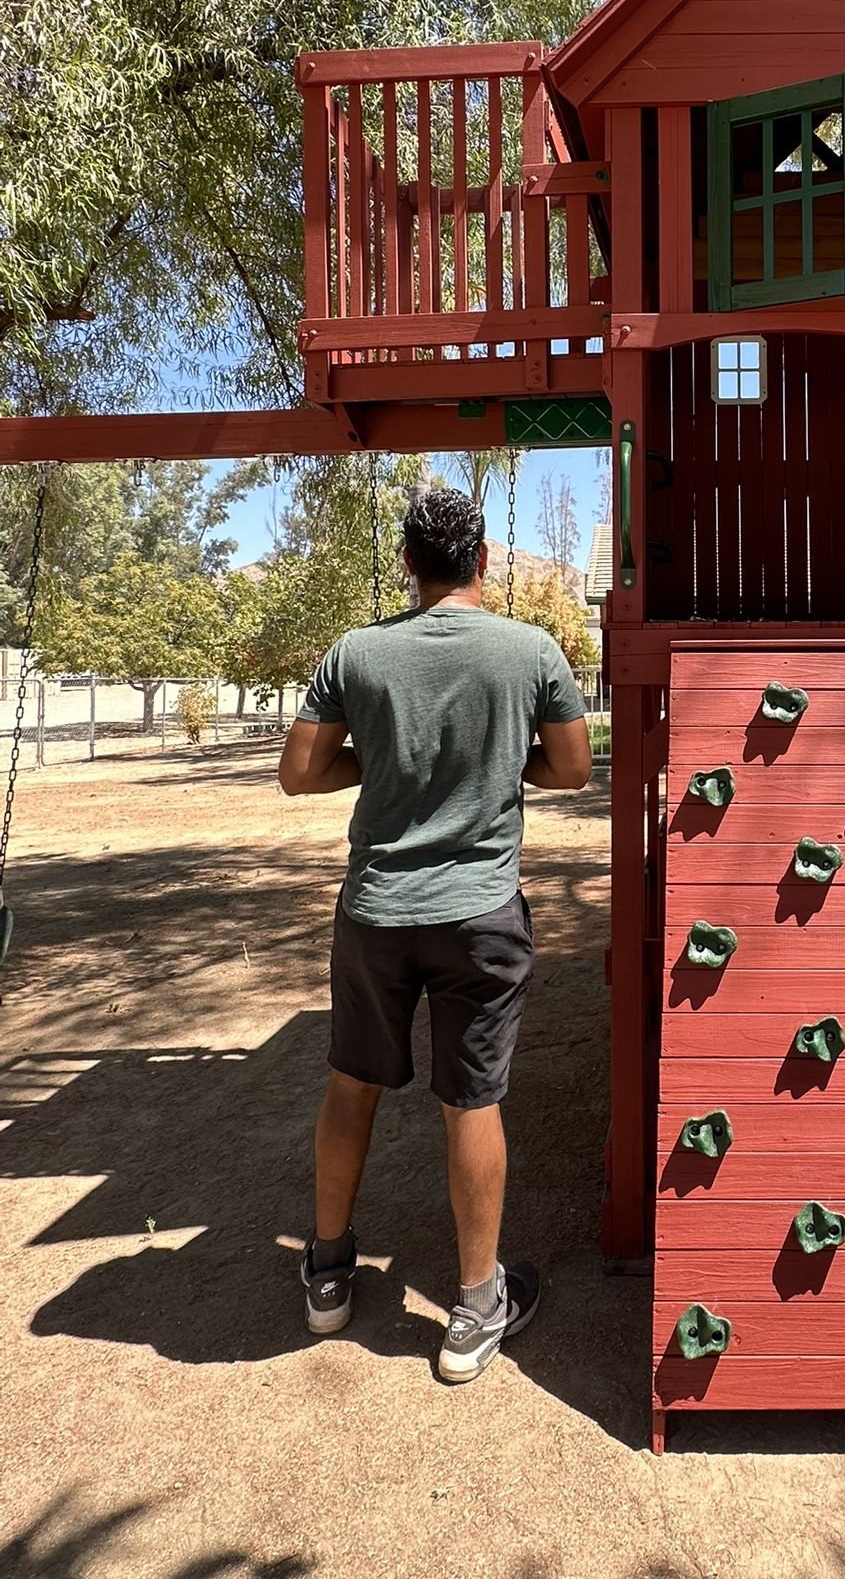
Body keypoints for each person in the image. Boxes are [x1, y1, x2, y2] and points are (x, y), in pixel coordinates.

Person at [278, 484, 591, 1383]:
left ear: (410, 565)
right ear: (482, 561)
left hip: (376, 911)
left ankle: (328, 1275)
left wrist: (375, 760)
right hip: (481, 914)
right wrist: (497, 766)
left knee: (352, 1085)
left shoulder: (358, 651)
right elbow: (572, 770)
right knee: (473, 1099)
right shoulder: (531, 650)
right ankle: (475, 1308)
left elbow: (299, 773)